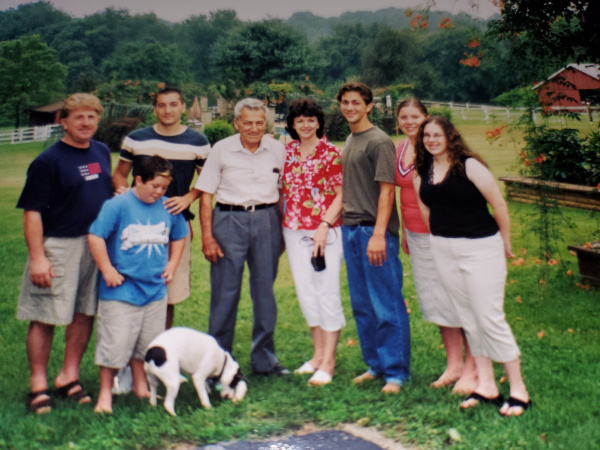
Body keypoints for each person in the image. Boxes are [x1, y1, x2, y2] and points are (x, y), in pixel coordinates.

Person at [413, 116, 531, 416]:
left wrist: (504, 241)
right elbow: (426, 208)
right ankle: (487, 386)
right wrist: (438, 238)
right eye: (426, 135)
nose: (431, 140)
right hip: (444, 249)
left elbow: (499, 205)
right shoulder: (422, 171)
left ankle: (519, 390)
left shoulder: (469, 165)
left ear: (449, 136)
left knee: (488, 317)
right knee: (467, 317)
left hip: (481, 249)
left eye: (437, 134)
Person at [16, 93, 113, 414]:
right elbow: (32, 213)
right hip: (58, 246)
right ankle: (38, 386)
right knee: (45, 316)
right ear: (64, 121)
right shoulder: (48, 162)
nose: (86, 123)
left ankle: (68, 376)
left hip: (95, 245)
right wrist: (38, 257)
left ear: (98, 120)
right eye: (79, 117)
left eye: (91, 117)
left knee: (85, 313)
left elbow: (103, 191)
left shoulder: (101, 152)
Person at [196, 98, 289, 376]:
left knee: (264, 294)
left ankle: (264, 360)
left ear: (266, 124)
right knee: (225, 294)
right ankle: (219, 363)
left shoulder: (277, 149)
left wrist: (282, 231)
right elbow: (206, 196)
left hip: (267, 220)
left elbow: (283, 191)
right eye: (247, 122)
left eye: (259, 123)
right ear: (236, 123)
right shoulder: (222, 149)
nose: (253, 128)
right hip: (228, 221)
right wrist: (208, 237)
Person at [89, 155, 188, 413]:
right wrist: (107, 269)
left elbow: (179, 236)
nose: (160, 192)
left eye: (164, 188)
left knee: (147, 343)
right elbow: (96, 236)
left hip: (155, 290)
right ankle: (104, 396)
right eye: (154, 186)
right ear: (139, 179)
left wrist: (173, 264)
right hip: (121, 290)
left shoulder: (168, 207)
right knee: (116, 342)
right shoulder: (118, 205)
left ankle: (140, 386)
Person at [394, 99, 477, 394]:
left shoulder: (435, 147)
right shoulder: (400, 149)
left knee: (459, 298)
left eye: (415, 116)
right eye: (404, 116)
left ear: (426, 117)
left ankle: (473, 367)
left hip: (444, 233)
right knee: (436, 301)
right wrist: (405, 230)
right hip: (416, 235)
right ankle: (454, 364)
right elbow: (403, 195)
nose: (409, 121)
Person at [113, 86, 211, 329]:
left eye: (173, 104)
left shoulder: (198, 142)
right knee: (133, 285)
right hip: (137, 225)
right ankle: (132, 357)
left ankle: (160, 352)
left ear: (183, 107)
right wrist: (124, 194)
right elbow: (119, 175)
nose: (168, 110)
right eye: (162, 105)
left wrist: (189, 197)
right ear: (155, 108)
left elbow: (209, 180)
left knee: (168, 289)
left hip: (175, 224)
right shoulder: (136, 139)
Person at [336, 82, 410, 394]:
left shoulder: (379, 141)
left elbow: (387, 191)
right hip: (350, 229)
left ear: (369, 106)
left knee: (386, 303)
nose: (349, 107)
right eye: (345, 102)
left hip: (373, 231)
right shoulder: (352, 139)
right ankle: (375, 365)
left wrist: (379, 234)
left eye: (356, 102)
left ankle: (395, 372)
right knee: (363, 305)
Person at [281, 98, 345, 386]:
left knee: (326, 291)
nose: (305, 125)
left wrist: (324, 225)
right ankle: (317, 356)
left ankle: (329, 362)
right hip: (293, 230)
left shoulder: (330, 153)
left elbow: (342, 194)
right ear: (292, 125)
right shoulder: (288, 152)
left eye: (310, 120)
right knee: (306, 292)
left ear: (319, 122)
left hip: (325, 232)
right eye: (299, 121)